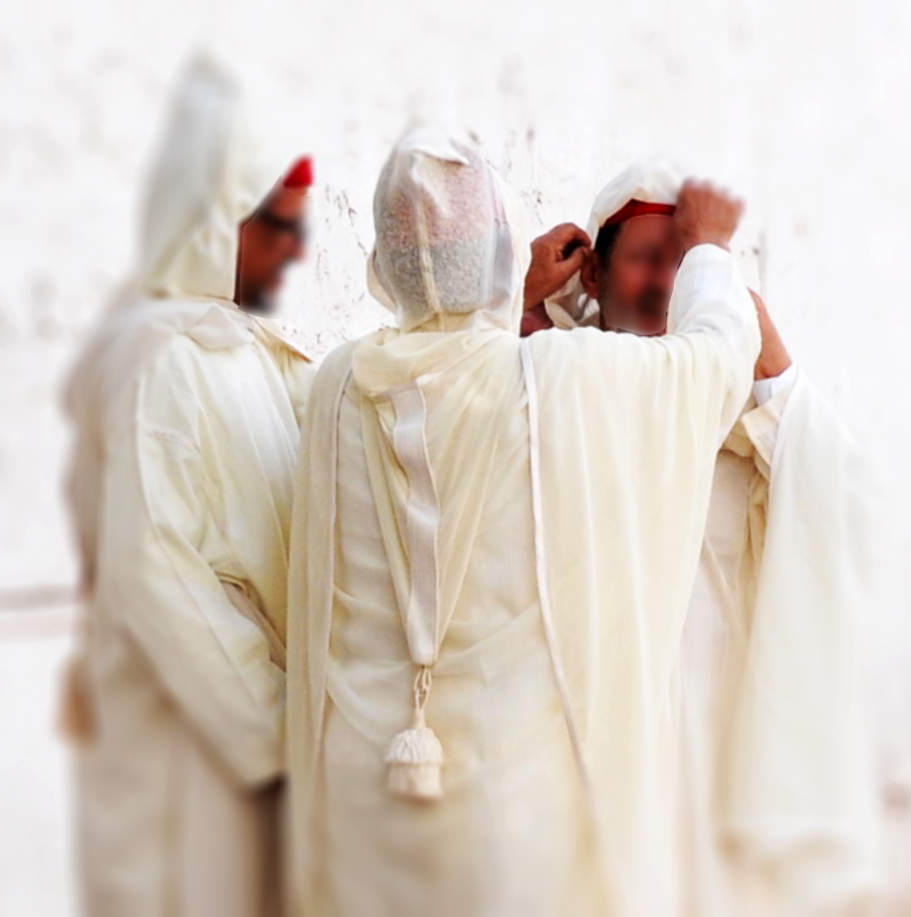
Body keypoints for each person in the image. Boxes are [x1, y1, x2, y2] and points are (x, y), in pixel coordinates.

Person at [281, 125, 760, 916]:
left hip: (363, 805)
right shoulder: (556, 379)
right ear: (505, 255)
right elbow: (711, 363)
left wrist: (506, 298)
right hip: (507, 824)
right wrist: (708, 250)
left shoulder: (337, 386)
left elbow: (441, 365)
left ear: (384, 268)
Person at [523, 158, 879, 915]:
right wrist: (516, 303)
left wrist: (774, 366)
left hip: (706, 739)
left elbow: (843, 495)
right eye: (646, 259)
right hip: (585, 734)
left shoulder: (737, 397)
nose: (664, 282)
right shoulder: (554, 380)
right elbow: (468, 411)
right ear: (596, 274)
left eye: (682, 264)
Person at [60, 56, 313, 917]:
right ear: (215, 221)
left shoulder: (231, 347)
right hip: (192, 760)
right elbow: (154, 570)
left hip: (245, 763)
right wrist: (280, 728)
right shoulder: (159, 361)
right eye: (277, 226)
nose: (295, 250)